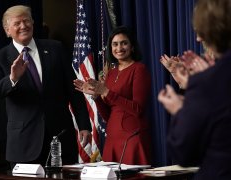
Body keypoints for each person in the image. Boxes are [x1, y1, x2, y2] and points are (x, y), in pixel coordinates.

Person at [0, 5, 92, 169]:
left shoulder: (55, 48)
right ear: (7, 30)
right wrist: (13, 78)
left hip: (60, 138)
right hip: (24, 143)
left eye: (26, 20)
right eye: (17, 23)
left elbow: (73, 89)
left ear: (33, 23)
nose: (23, 26)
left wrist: (84, 125)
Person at [158, 0, 231, 179]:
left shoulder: (206, 82)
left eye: (201, 32)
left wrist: (181, 110)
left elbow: (184, 153)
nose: (198, 38)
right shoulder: (207, 81)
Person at [74, 26, 151, 165]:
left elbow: (138, 109)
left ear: (132, 46)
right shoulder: (111, 73)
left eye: (124, 43)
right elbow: (108, 115)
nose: (119, 48)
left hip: (131, 138)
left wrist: (106, 92)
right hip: (112, 138)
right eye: (115, 44)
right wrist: (97, 96)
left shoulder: (139, 69)